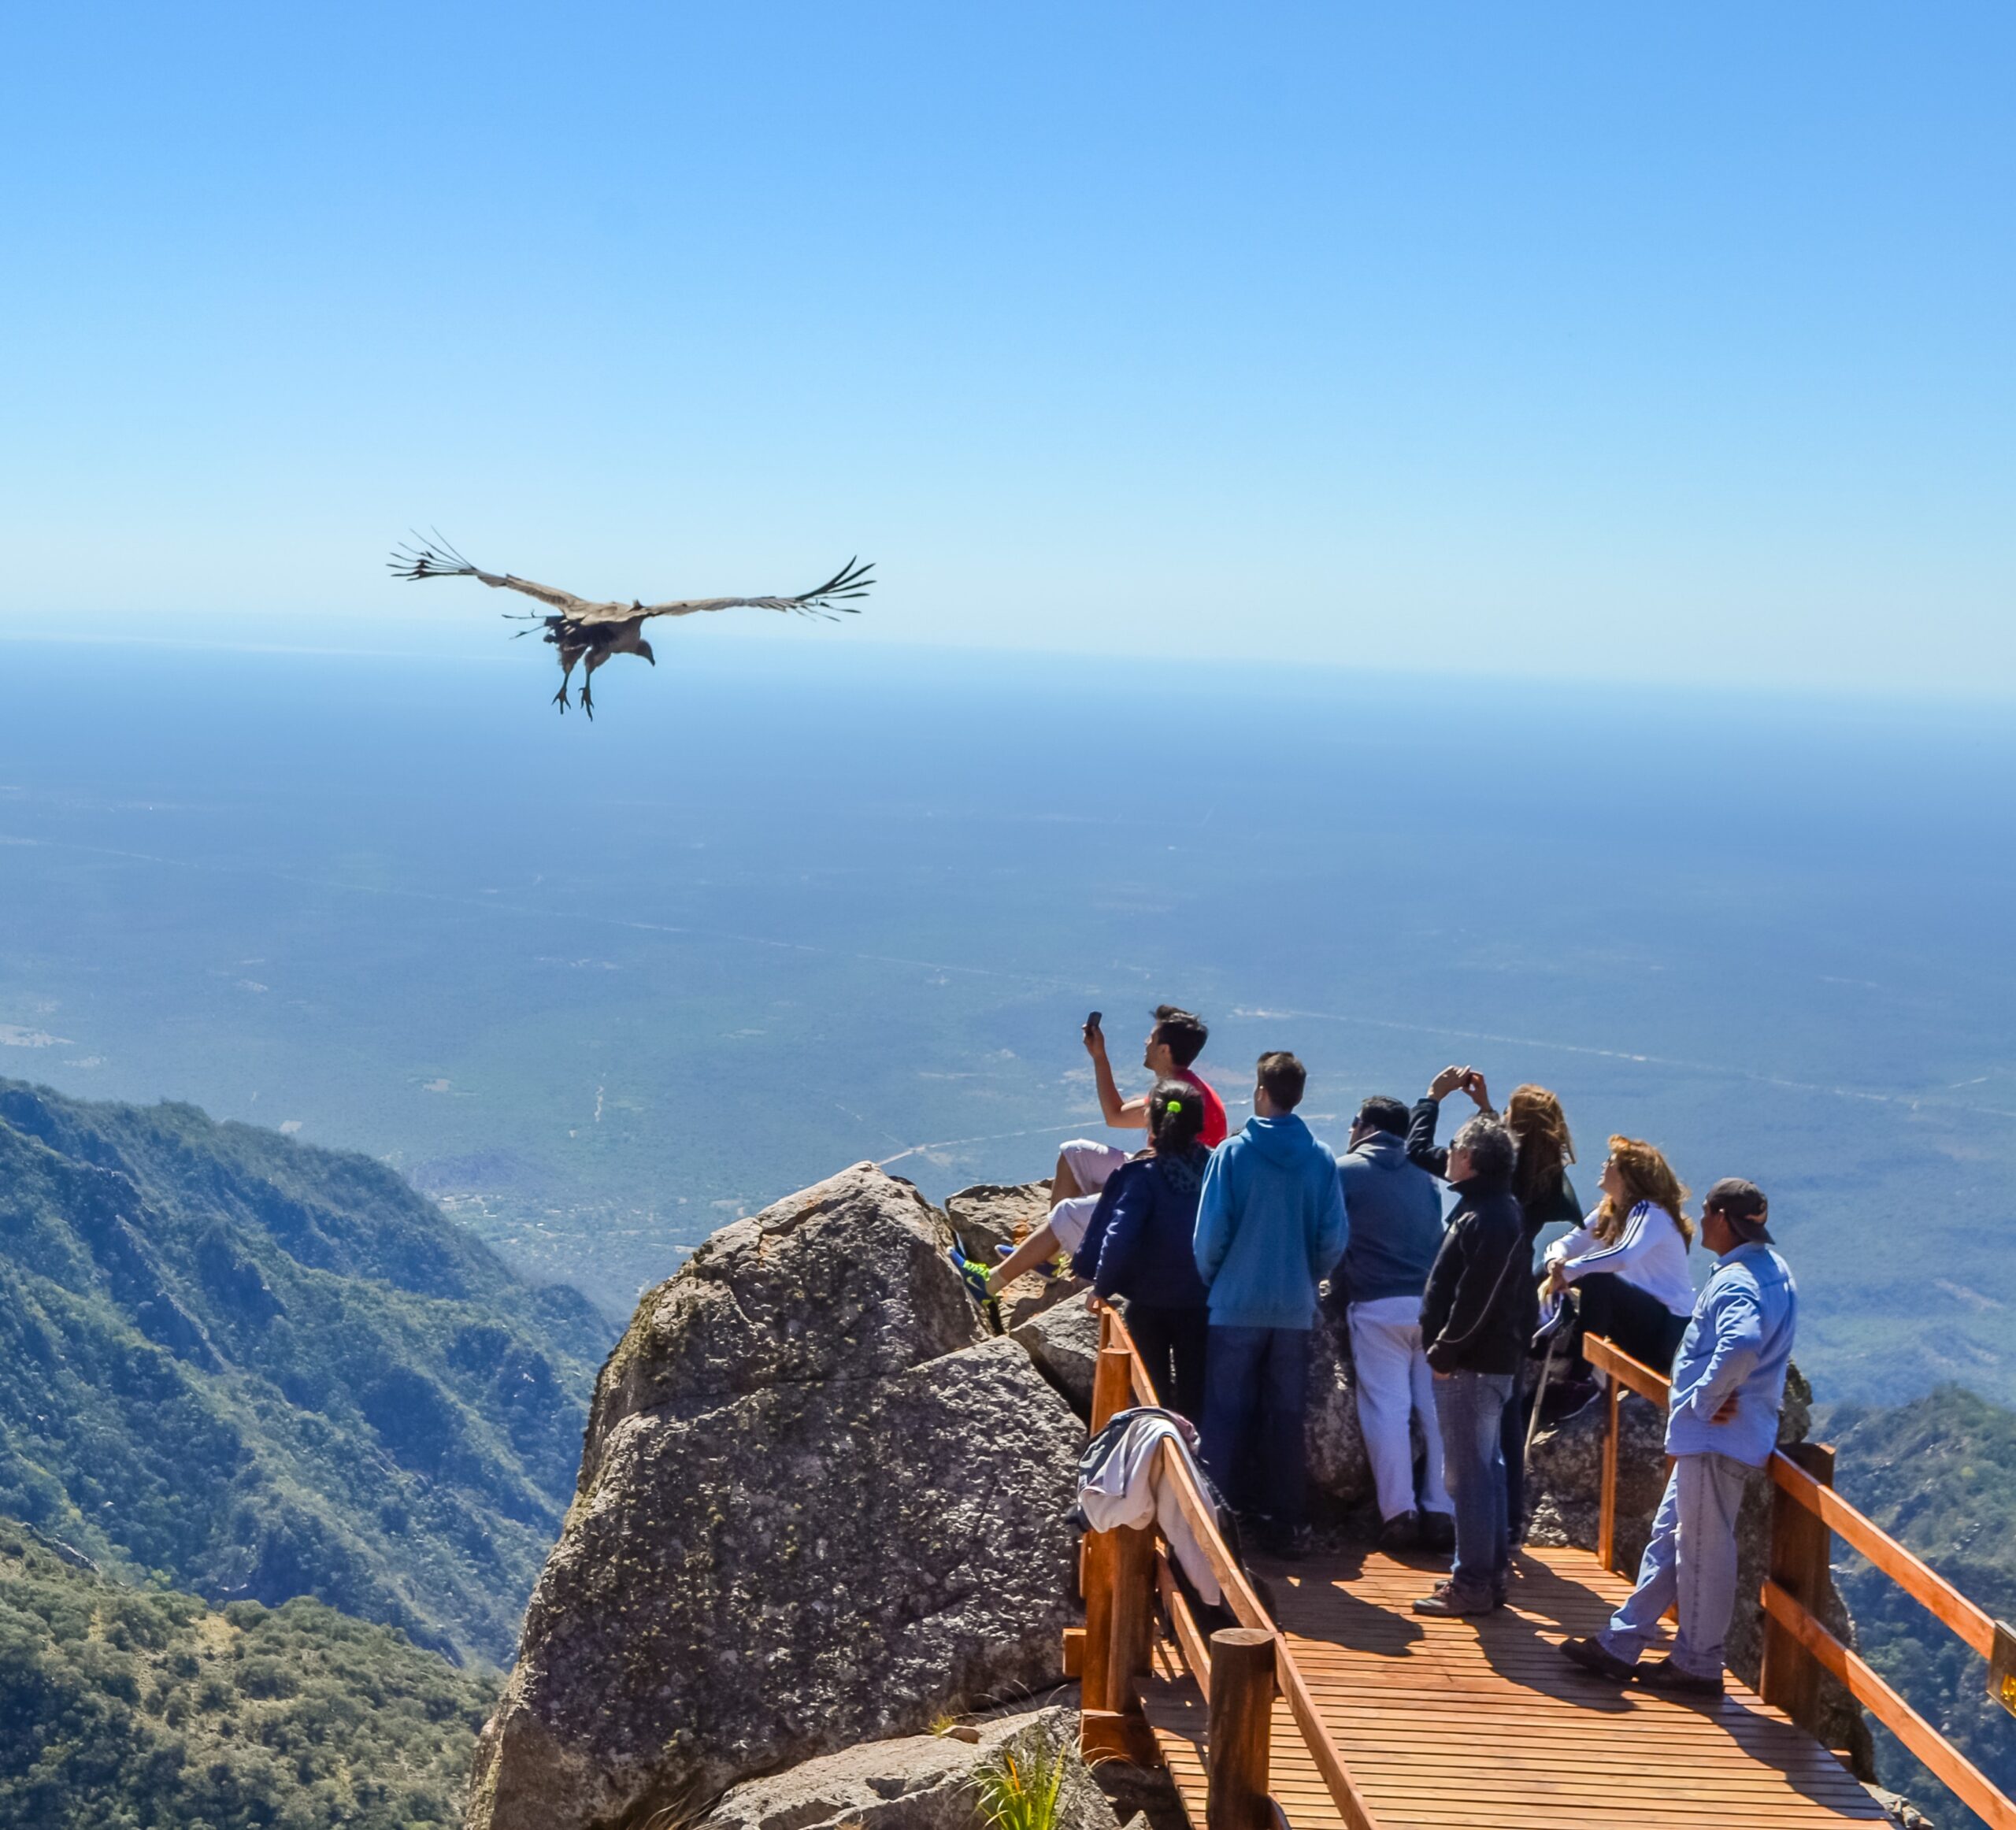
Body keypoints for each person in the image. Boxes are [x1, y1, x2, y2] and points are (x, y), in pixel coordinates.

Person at [1562, 1180, 1797, 1694]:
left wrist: (1704, 1401)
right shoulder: (1772, 1271)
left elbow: (1740, 1346)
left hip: (1717, 1438)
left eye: (1707, 1213)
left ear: (1719, 1218)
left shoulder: (1737, 1281)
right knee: (1672, 1537)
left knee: (1703, 1548)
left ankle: (1698, 1662)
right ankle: (1621, 1642)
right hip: (1726, 1435)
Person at [1409, 1068, 1581, 1546]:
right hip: (1519, 1305)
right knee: (1505, 1424)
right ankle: (1506, 1524)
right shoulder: (1546, 1179)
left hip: (1480, 1317)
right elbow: (1504, 1159)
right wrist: (1487, 1111)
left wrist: (1433, 1098)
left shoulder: (1496, 1193)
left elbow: (1420, 1150)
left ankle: (1479, 1554)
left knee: (1473, 1449)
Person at [955, 1005, 1226, 1301]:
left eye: (1151, 1038)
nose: (1145, 1042)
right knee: (1075, 1154)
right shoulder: (1180, 1089)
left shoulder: (1181, 1096)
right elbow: (1117, 1115)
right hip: (1158, 1174)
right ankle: (1047, 1257)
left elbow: (1176, 1166)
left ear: (1164, 1050)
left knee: (1066, 1213)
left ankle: (988, 1284)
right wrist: (1100, 1057)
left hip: (1170, 1196)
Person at [1194, 1051, 1347, 1557]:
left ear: (1261, 1092)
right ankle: (1287, 1525)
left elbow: (1208, 1238)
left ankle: (1219, 1523)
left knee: (1225, 1414)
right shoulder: (1321, 1159)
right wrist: (1307, 1278)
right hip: (1293, 1308)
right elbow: (1333, 1239)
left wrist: (1221, 1283)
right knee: (1285, 1416)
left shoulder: (1233, 1155)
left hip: (1235, 1304)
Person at [1328, 1094, 1455, 1554]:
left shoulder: (1343, 1171)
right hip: (1431, 1306)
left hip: (1377, 1304)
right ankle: (1442, 1511)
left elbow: (1328, 1233)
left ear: (1363, 1126)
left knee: (1388, 1409)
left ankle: (1399, 1513)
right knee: (1435, 1411)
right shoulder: (1425, 1175)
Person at [1412, 1113, 1526, 1616]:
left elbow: (1476, 1295)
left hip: (1472, 1366)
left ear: (1472, 1160)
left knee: (1467, 1476)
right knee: (1486, 1470)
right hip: (1485, 1362)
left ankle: (1473, 1582)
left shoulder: (1491, 1216)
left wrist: (1446, 1349)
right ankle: (1488, 1575)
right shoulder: (1491, 1207)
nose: (1449, 1154)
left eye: (1455, 1147)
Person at [1077, 1080, 1214, 1419]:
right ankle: (1194, 1461)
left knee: (1151, 1394)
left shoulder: (1143, 1176)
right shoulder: (1217, 1170)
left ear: (1152, 1124)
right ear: (1199, 1123)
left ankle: (1156, 1454)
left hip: (1149, 1304)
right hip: (1202, 1302)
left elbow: (1119, 1237)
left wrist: (1102, 1287)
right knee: (1195, 1394)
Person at [1545, 1135, 1696, 1375]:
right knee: (1550, 1272)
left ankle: (1580, 1376)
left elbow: (1624, 1256)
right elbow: (1568, 1243)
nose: (1604, 1165)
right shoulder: (1610, 1209)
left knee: (1598, 1281)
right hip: (1638, 1324)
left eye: (1611, 1161)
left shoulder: (1651, 1213)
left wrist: (1569, 1270)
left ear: (1629, 1175)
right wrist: (1554, 1263)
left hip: (1668, 1334)